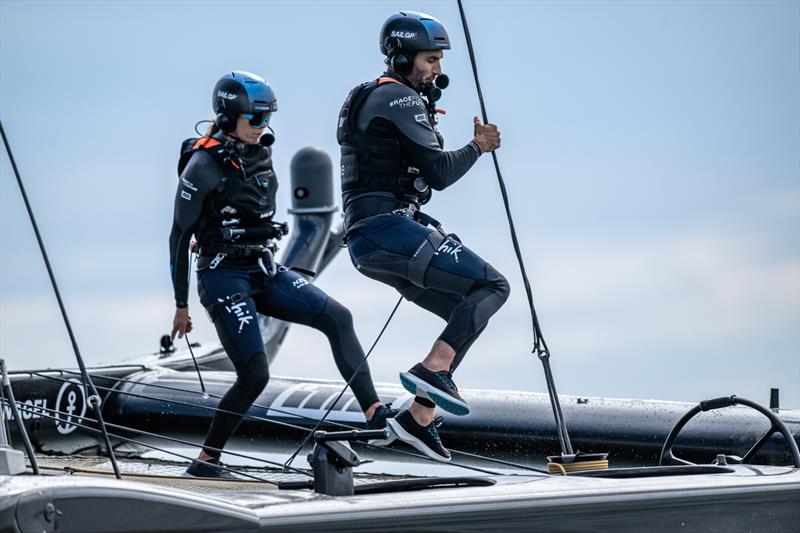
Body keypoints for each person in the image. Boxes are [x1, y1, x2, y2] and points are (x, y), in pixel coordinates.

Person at [169, 71, 395, 478]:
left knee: (338, 318)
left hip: (263, 269)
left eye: (267, 118)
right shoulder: (202, 166)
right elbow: (177, 236)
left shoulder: (259, 150)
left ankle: (375, 414)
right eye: (254, 119)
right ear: (226, 118)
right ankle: (206, 460)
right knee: (255, 375)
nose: (262, 128)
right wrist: (181, 304)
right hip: (223, 276)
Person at [337, 12, 510, 462]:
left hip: (371, 241)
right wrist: (479, 146)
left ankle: (419, 417)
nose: (438, 70)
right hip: (386, 231)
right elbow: (439, 172)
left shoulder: (373, 95)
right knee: (493, 286)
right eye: (431, 60)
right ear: (401, 57)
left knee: (468, 311)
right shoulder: (398, 97)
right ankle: (431, 370)